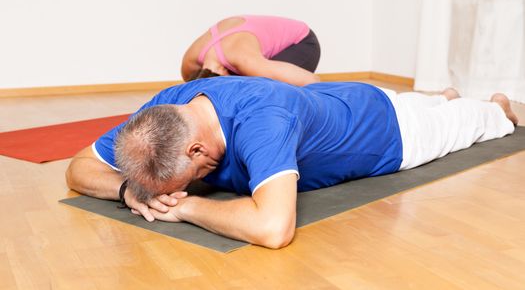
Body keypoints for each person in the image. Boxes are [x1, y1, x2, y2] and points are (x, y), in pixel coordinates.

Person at [65, 77, 518, 249]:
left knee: (481, 120)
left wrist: (183, 208)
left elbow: (274, 228)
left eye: (179, 182)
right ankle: (442, 97)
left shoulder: (262, 121)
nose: (171, 193)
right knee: (430, 101)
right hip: (339, 98)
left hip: (390, 135)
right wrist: (127, 189)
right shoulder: (164, 111)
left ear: (197, 152)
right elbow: (78, 166)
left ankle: (491, 105)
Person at [180, 15, 321, 85]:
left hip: (301, 42)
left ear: (223, 73)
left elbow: (312, 81)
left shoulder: (245, 61)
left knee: (262, 90)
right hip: (243, 46)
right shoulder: (189, 65)